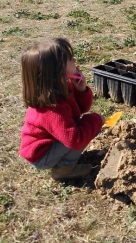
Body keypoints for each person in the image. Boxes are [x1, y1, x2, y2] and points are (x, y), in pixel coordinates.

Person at [19, 38, 104, 181]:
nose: (75, 60)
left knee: (82, 128)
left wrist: (81, 90)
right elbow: (74, 140)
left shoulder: (60, 88)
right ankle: (64, 169)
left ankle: (64, 159)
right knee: (81, 132)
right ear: (57, 71)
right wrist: (95, 120)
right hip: (41, 156)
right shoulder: (53, 109)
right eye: (70, 59)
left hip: (50, 144)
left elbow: (81, 109)